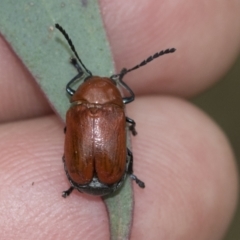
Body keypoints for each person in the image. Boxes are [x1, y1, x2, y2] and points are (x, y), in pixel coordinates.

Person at [0, 1, 239, 239]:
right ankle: (129, 174)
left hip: (81, 177)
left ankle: (81, 183)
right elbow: (130, 97)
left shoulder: (75, 109)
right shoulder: (118, 111)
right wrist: (121, 81)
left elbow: (70, 93)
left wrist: (80, 74)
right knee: (129, 151)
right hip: (107, 177)